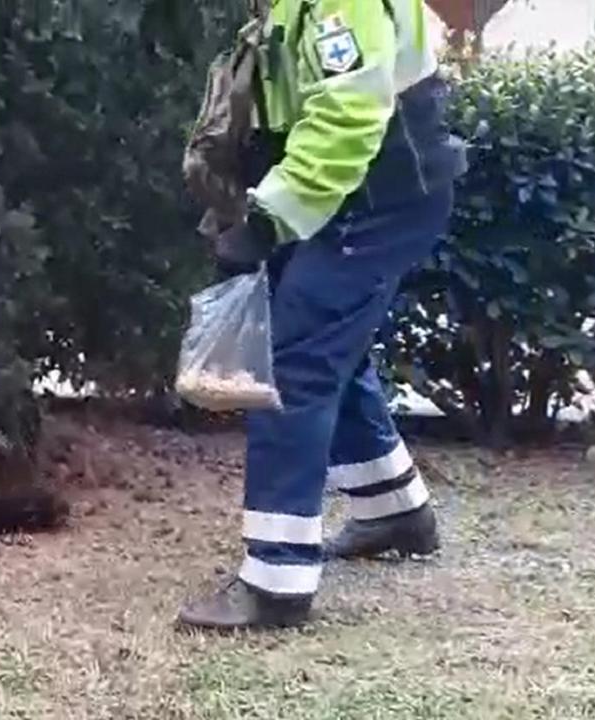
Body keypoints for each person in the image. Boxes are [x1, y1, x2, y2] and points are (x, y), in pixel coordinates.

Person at [178, 0, 467, 630]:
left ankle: (276, 581)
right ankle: (395, 511)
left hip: (377, 194)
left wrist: (269, 218)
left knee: (296, 362)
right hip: (348, 189)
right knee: (331, 346)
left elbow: (347, 116)